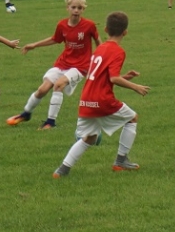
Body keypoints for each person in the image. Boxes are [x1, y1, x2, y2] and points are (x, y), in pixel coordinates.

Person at [52, 12, 148, 178]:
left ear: (105, 30)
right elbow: (113, 78)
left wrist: (124, 77)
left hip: (86, 99)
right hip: (102, 99)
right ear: (125, 32)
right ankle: (121, 161)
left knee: (89, 138)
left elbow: (100, 76)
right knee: (132, 118)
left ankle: (62, 170)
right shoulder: (118, 51)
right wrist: (135, 87)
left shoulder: (99, 49)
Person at [7, 0, 101, 130]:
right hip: (63, 63)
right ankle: (26, 114)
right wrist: (34, 45)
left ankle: (50, 122)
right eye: (73, 7)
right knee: (42, 89)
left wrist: (102, 59)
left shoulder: (89, 25)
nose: (76, 10)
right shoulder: (62, 25)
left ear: (83, 9)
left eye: (80, 8)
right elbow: (55, 39)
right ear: (67, 8)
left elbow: (98, 42)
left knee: (59, 85)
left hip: (81, 66)